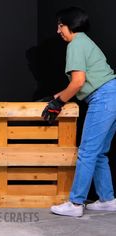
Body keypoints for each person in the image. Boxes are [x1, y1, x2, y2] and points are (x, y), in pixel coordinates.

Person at [40, 6, 116, 217]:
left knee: (87, 152)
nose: (58, 31)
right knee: (99, 153)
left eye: (60, 25)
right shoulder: (84, 42)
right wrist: (59, 96)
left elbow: (78, 82)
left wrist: (58, 103)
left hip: (103, 98)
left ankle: (75, 203)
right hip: (112, 95)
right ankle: (108, 199)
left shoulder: (76, 44)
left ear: (70, 25)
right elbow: (80, 84)